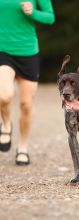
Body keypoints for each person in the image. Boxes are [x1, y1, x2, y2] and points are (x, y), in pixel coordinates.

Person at [0, 0, 55, 165]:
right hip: (3, 49)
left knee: (26, 104)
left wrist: (33, 12)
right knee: (4, 95)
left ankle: (23, 147)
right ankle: (6, 124)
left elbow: (50, 17)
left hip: (28, 51)